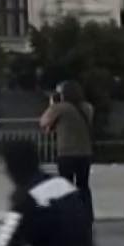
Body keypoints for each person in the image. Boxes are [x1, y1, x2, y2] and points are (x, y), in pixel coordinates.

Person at [39, 82, 96, 216]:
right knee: (83, 185)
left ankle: (68, 214)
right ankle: (87, 213)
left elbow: (43, 121)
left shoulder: (60, 108)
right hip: (85, 152)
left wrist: (52, 104)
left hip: (66, 152)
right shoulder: (88, 107)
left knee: (65, 185)